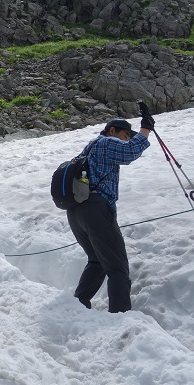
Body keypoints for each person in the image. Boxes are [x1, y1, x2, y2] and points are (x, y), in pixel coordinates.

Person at [66, 110, 154, 313]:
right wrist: (145, 129)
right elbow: (131, 151)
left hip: (76, 211)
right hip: (96, 208)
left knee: (97, 261)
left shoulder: (88, 149)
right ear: (112, 131)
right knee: (118, 268)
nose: (124, 141)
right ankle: (120, 317)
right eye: (123, 137)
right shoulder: (105, 143)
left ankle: (77, 307)